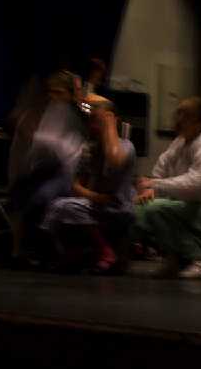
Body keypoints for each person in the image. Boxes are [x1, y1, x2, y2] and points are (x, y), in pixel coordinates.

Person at [132, 97, 201, 279]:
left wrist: (155, 184)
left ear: (200, 123)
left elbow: (195, 183)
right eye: (178, 113)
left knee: (155, 210)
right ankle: (174, 260)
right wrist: (151, 188)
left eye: (186, 115)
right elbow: (162, 165)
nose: (179, 119)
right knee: (141, 209)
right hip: (190, 205)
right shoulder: (180, 141)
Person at [40, 97, 136, 273]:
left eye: (98, 120)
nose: (93, 125)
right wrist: (95, 197)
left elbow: (114, 160)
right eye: (92, 120)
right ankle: (74, 254)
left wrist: (109, 126)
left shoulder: (126, 146)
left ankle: (106, 252)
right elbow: (76, 185)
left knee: (67, 207)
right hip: (96, 206)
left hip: (119, 208)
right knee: (59, 206)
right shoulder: (90, 149)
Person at [7, 70, 85, 267]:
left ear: (69, 94)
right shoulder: (52, 111)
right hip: (45, 169)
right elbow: (39, 146)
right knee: (18, 192)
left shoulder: (76, 116)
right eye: (51, 92)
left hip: (65, 172)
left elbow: (66, 150)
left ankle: (47, 251)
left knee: (40, 198)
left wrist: (37, 137)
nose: (53, 96)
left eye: (59, 92)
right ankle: (19, 252)